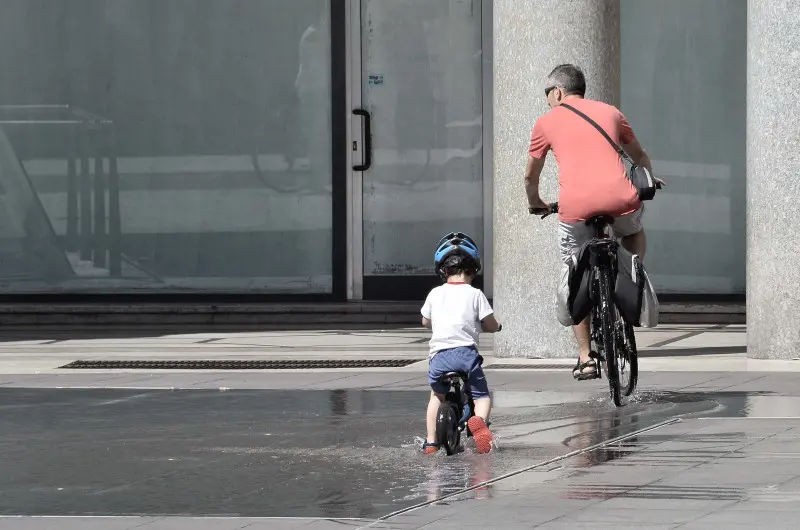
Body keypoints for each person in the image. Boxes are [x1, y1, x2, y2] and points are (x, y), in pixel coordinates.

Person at [524, 64, 664, 380]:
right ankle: (630, 270)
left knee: (575, 271)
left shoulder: (546, 122)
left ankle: (586, 357)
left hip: (575, 209)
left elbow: (530, 175)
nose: (548, 100)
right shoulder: (611, 113)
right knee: (633, 231)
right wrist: (651, 180)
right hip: (621, 201)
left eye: (548, 94)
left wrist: (536, 203)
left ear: (556, 92)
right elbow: (639, 157)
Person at [420, 232, 501, 455]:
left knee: (436, 396)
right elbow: (490, 323)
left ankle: (430, 442)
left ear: (442, 270)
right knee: (482, 396)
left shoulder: (435, 293)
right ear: (474, 270)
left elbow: (425, 321)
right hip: (466, 356)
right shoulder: (475, 294)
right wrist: (496, 327)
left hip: (439, 357)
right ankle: (480, 422)